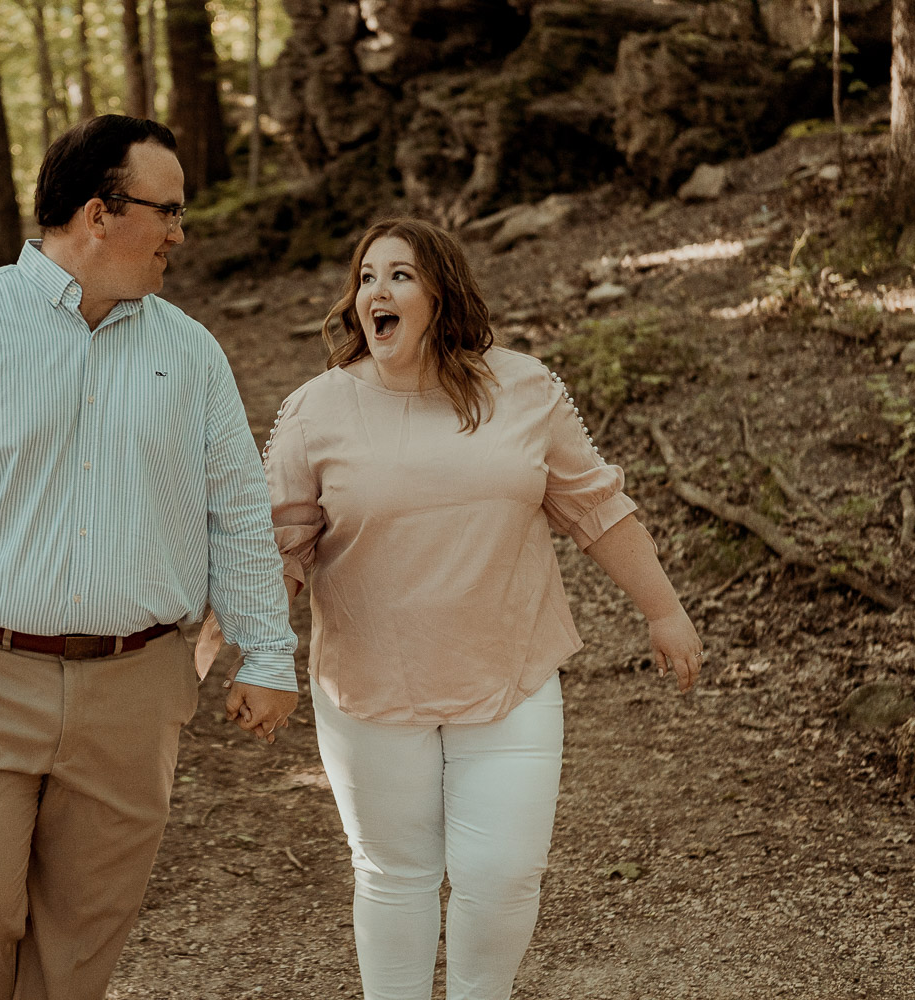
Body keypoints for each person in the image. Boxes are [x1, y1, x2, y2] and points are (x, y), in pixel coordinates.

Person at [0, 115, 299, 1000]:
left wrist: (267, 649)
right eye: (166, 210)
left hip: (136, 684)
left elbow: (237, 511)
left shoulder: (190, 352)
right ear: (99, 211)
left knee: (82, 941)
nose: (179, 233)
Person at [216, 217, 704, 1000]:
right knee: (394, 874)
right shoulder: (316, 410)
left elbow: (595, 508)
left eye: (401, 275)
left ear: (441, 293)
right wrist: (261, 654)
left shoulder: (524, 387)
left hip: (510, 673)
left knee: (505, 873)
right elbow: (281, 551)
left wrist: (663, 609)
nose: (379, 290)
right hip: (371, 686)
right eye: (367, 276)